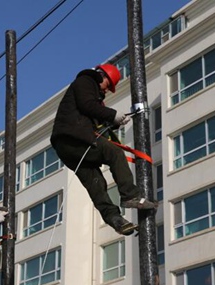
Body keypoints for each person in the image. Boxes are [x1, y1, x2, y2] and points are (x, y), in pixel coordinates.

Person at [50, 63, 156, 236]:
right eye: (109, 85)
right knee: (114, 153)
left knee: (96, 184)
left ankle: (114, 219)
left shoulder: (88, 94)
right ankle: (130, 196)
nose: (107, 90)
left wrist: (112, 122)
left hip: (67, 147)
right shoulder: (86, 81)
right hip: (74, 138)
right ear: (103, 77)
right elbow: (87, 105)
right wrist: (112, 114)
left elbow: (95, 120)